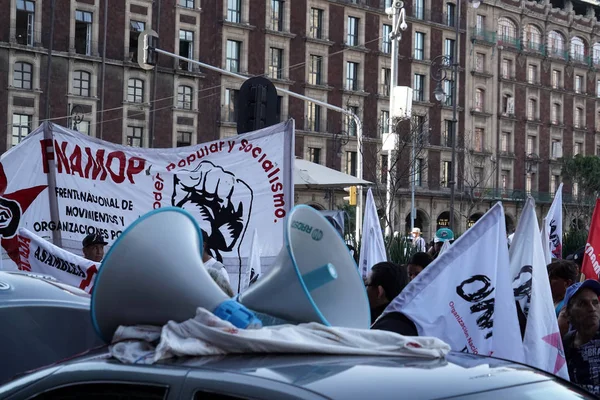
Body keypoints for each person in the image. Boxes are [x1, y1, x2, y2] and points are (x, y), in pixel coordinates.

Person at [562, 280, 600, 395]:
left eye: (595, 302)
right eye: (583, 304)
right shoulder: (566, 343)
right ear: (568, 314)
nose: (592, 308)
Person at [366, 262, 418, 336]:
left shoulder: (378, 331)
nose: (365, 290)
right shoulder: (409, 321)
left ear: (379, 291)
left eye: (367, 284)